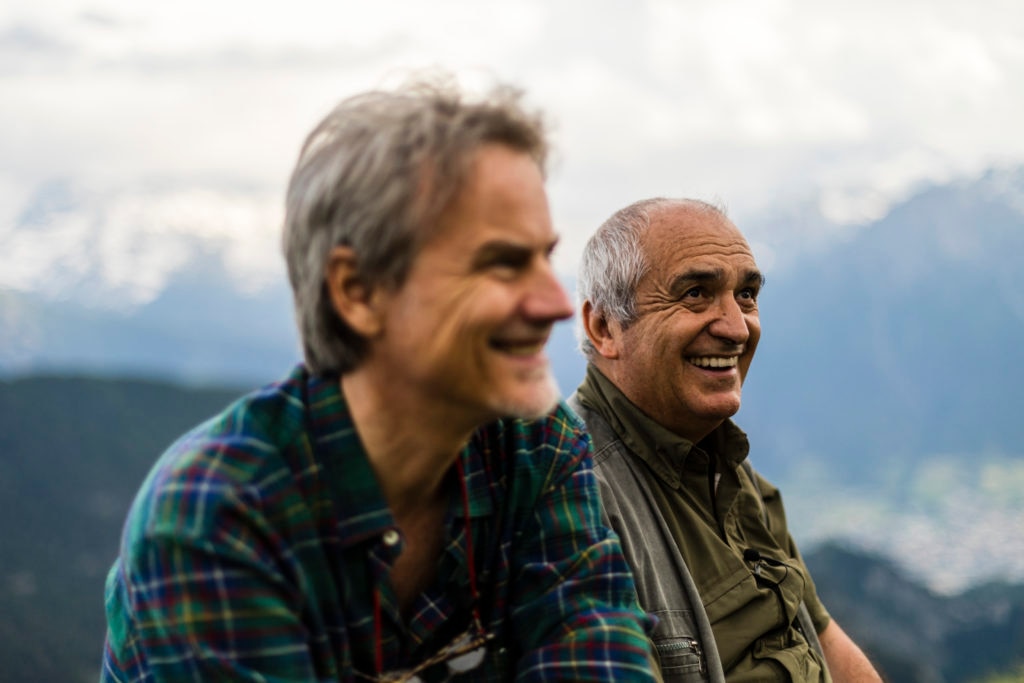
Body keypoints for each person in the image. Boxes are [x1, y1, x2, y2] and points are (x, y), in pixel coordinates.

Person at [100, 76, 657, 682]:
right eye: (502, 263)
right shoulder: (219, 513)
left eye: (545, 257)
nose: (555, 302)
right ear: (357, 291)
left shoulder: (536, 446)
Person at [568, 198, 882, 682]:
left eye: (747, 295)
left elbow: (825, 640)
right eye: (696, 293)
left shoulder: (733, 474)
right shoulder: (573, 503)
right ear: (605, 327)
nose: (737, 328)